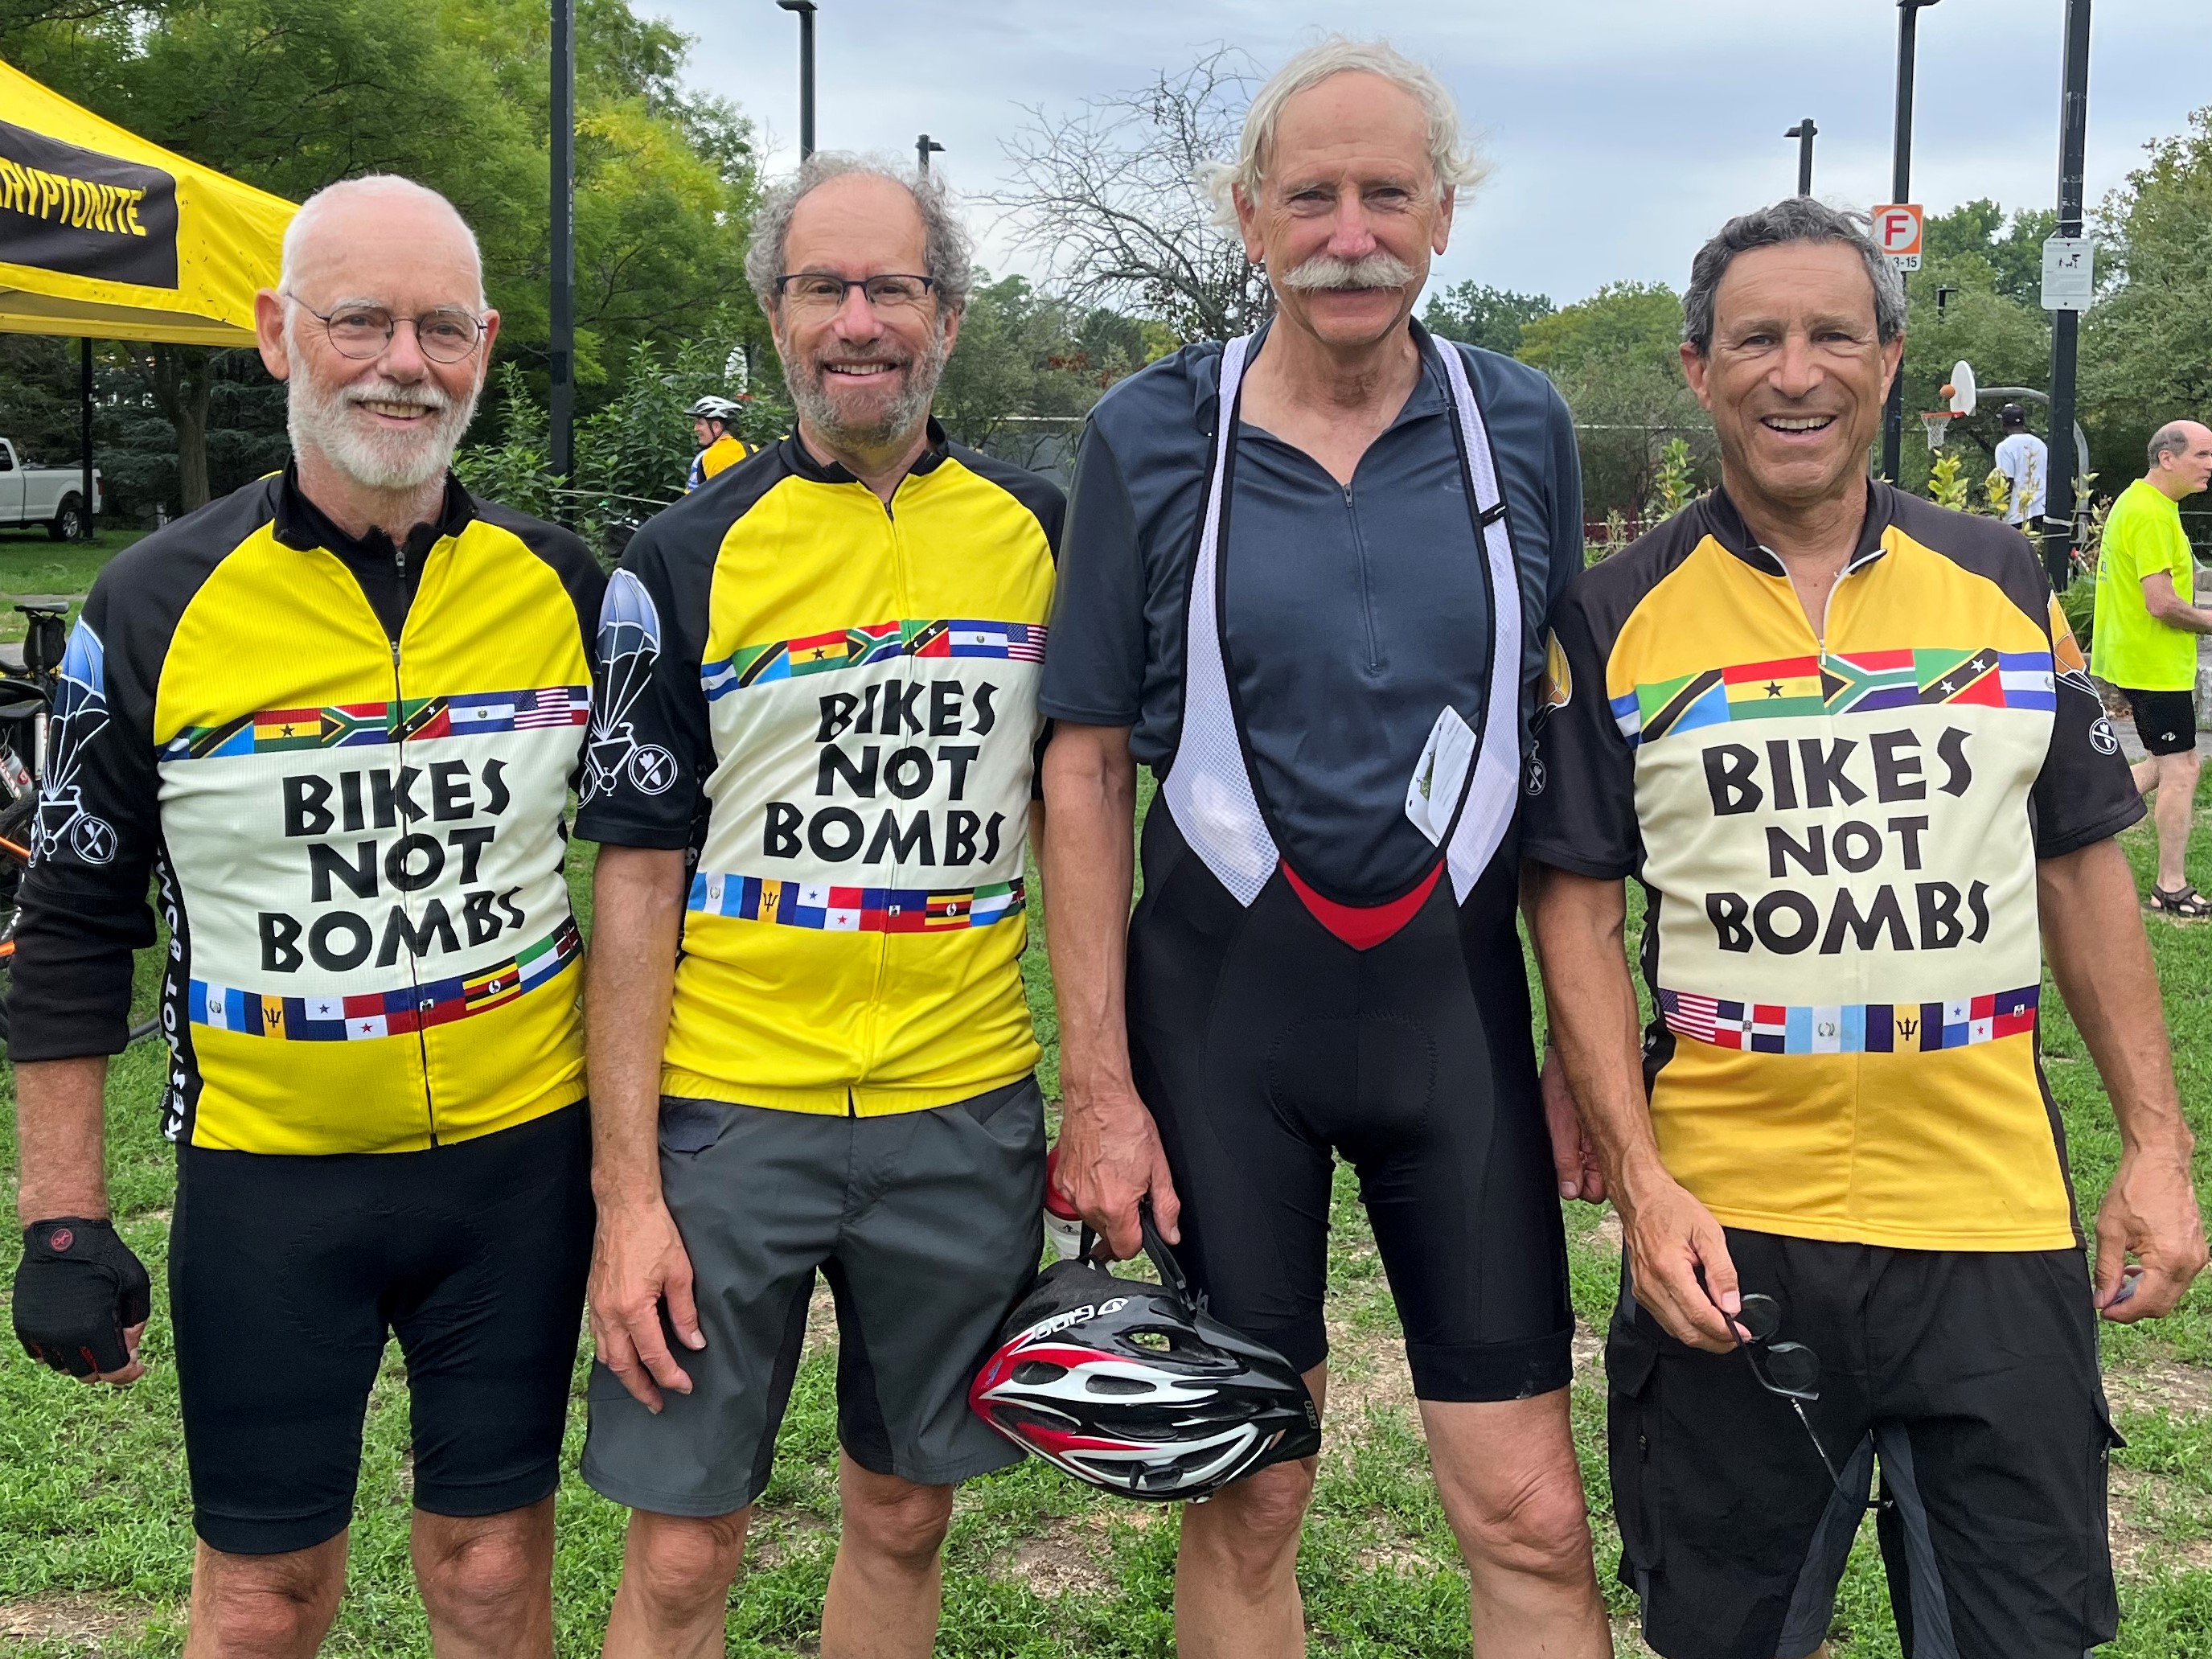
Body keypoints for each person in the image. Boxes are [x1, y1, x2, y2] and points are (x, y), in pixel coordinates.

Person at [1525, 197, 2208, 1659]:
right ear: (1698, 367)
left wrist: (2155, 1143)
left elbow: (2085, 864)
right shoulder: (1614, 609)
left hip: (1991, 1220)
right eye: (1756, 337)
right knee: (1723, 1634)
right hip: (1733, 1224)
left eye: (1834, 333)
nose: (1796, 370)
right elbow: (1572, 905)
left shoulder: (2003, 579)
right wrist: (1643, 1184)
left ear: (1893, 361)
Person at [1040, 39, 1609, 1659]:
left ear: (1441, 217)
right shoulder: (1151, 435)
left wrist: (1581, 1049)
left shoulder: (1522, 423)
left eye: (1385, 194)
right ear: (1248, 216)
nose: (1346, 229)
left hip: (1456, 1032)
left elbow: (1554, 750)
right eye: (1310, 194)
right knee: (1250, 1487)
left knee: (1527, 1505)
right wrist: (1097, 1085)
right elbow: (1080, 768)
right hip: (1222, 1036)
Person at [6, 175, 603, 1659]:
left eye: (440, 327)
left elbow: (661, 874)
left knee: (486, 1572)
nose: (404, 360)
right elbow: (72, 923)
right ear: (279, 335)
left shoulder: (571, 591)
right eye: (360, 320)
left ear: (484, 347)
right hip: (271, 1181)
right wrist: (62, 1213)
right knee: (264, 1599)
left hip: (519, 1174)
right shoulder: (149, 602)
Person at [577, 154, 1062, 1659]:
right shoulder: (682, 553)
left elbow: (1090, 818)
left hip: (962, 1104)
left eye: (892, 288)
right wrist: (628, 1193)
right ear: (774, 319)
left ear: (949, 318)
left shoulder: (1046, 533)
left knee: (908, 1510)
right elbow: (637, 876)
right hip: (730, 1115)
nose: (859, 322)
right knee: (681, 1550)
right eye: (822, 289)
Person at [2091, 418, 2212, 915]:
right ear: (2168, 458)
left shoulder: (2149, 504)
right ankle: (2171, 887)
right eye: (2202, 456)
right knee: (2182, 768)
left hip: (2145, 659)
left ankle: (2082, 813)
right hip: (2150, 663)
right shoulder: (2150, 514)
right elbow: (2160, 603)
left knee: (2169, 765)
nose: (2210, 466)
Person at [1992, 401, 2046, 529]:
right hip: (2042, 510)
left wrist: (1999, 509)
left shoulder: (2004, 447)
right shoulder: (2040, 444)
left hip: (2019, 514)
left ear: (2004, 424)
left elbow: (2006, 482)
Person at [684, 394, 752, 492]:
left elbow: (691, 501)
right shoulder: (752, 450)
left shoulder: (708, 456)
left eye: (700, 423)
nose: (695, 429)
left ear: (716, 426)